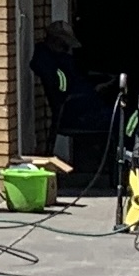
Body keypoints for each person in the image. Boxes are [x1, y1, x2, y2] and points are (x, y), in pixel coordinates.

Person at [29, 20, 104, 192]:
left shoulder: (57, 59)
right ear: (57, 41)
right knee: (122, 120)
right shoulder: (52, 63)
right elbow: (64, 90)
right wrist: (94, 91)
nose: (68, 48)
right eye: (65, 44)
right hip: (75, 113)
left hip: (81, 105)